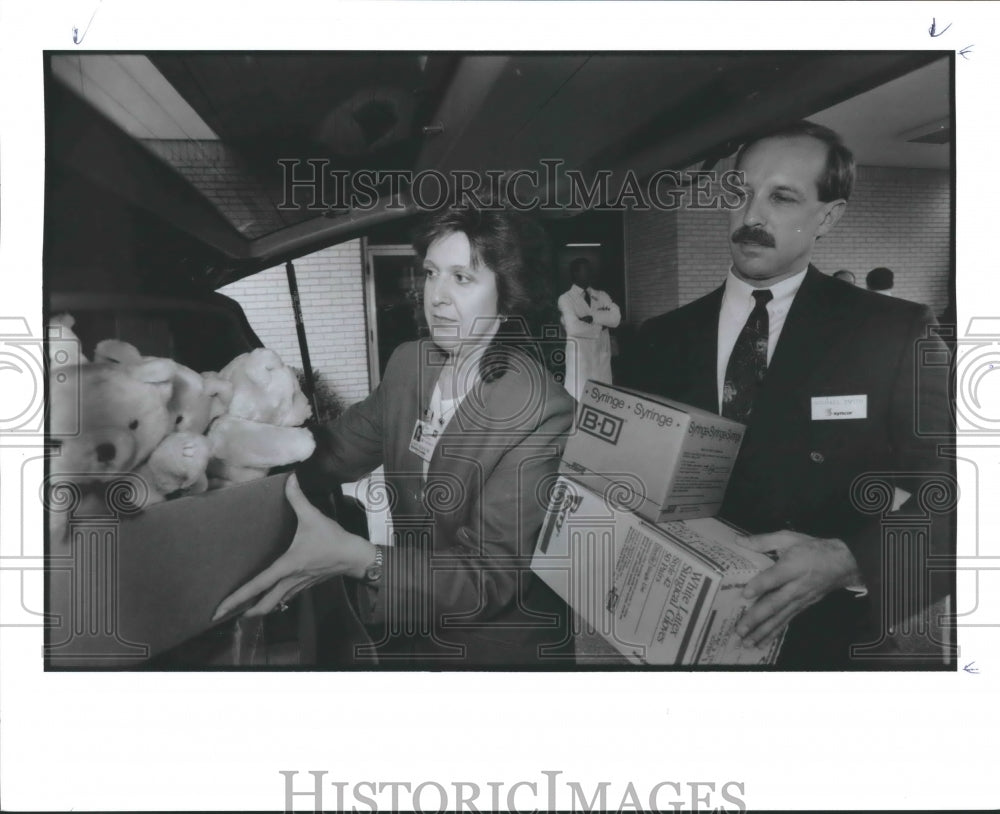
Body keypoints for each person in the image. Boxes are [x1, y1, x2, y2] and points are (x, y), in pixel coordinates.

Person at [630, 120, 954, 669]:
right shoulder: (661, 339)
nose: (752, 216)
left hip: (827, 640)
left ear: (828, 216)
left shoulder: (892, 332)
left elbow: (959, 494)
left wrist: (851, 561)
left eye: (782, 197)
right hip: (682, 633)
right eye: (741, 193)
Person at [214, 207, 576, 667]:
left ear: (508, 296)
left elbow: (487, 577)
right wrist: (230, 461)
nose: (437, 297)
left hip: (496, 648)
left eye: (462, 278)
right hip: (416, 622)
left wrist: (358, 558)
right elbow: (331, 453)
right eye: (431, 273)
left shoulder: (541, 410)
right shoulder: (410, 365)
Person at [558, 257, 621, 400]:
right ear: (575, 273)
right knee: (579, 402)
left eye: (590, 269)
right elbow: (574, 328)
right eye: (586, 270)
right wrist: (601, 325)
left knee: (603, 402)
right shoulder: (565, 299)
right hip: (580, 363)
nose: (590, 273)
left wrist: (592, 318)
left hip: (601, 361)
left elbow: (616, 319)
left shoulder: (602, 295)